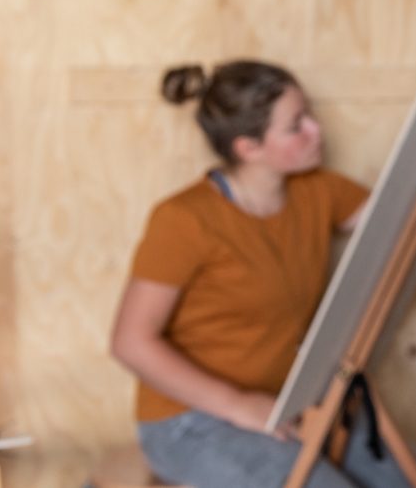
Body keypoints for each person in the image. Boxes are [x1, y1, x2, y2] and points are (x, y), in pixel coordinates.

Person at [111, 60, 369, 488]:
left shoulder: (320, 191)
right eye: (296, 125)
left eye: (309, 115)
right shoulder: (184, 219)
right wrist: (237, 405)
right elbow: (130, 342)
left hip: (285, 405)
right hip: (188, 422)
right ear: (248, 148)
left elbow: (401, 216)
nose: (316, 130)